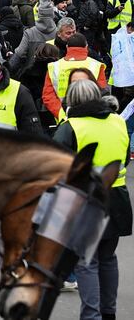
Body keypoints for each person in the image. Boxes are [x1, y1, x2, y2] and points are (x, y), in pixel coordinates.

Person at [53, 80, 132, 320]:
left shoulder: (71, 127)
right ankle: (109, 313)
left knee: (87, 262)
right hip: (117, 198)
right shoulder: (118, 120)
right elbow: (125, 157)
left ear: (72, 101)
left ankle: (91, 315)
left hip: (85, 201)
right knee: (108, 258)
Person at [42, 33, 107, 122]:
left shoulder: (54, 67)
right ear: (86, 46)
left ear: (67, 47)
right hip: (91, 118)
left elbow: (48, 96)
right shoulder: (96, 66)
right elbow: (102, 94)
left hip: (64, 119)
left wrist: (62, 115)